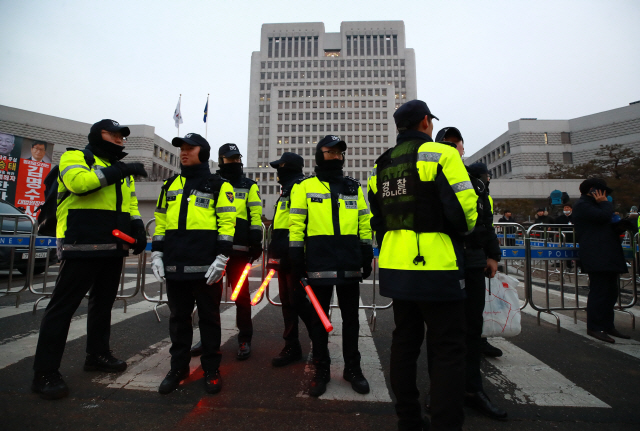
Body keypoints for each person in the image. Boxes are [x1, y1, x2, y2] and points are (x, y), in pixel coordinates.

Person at [368, 100, 478, 431]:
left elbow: (378, 218)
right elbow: (465, 211)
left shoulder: (381, 165)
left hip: (395, 265)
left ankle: (409, 420)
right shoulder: (442, 155)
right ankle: (445, 424)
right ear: (426, 122)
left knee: (404, 342)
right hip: (437, 267)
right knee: (447, 350)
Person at [32, 119, 148, 400]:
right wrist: (119, 169)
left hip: (113, 244)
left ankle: (97, 354)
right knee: (63, 306)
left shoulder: (120, 169)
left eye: (123, 136)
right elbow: (79, 184)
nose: (121, 139)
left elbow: (130, 202)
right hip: (80, 243)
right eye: (115, 134)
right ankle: (45, 373)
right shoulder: (76, 156)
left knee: (103, 303)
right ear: (99, 134)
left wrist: (137, 226)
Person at [151, 132, 236, 395]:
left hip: (207, 268)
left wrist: (222, 258)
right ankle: (179, 368)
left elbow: (227, 225)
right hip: (175, 266)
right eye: (182, 149)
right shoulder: (169, 186)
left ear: (203, 152)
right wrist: (157, 253)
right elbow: (161, 222)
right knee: (178, 319)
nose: (183, 152)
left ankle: (211, 368)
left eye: (190, 148)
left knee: (209, 320)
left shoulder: (220, 186)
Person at [289, 135, 374, 397]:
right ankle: (321, 369)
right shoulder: (304, 187)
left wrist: (366, 250)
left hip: (349, 262)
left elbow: (363, 219)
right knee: (318, 321)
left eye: (339, 153)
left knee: (352, 320)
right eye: (329, 152)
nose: (335, 156)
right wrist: (296, 256)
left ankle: (352, 368)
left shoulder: (352, 186)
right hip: (318, 262)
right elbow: (296, 224)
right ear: (318, 154)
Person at [435, 128, 507, 420]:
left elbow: (486, 222)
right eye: (446, 144)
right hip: (444, 263)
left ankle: (472, 389)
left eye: (456, 144)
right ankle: (439, 394)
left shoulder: (476, 183)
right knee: (442, 334)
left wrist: (493, 255)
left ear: (463, 148)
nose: (453, 148)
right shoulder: (433, 179)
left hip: (474, 260)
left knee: (471, 329)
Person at [190, 143, 262, 360]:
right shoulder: (211, 183)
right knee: (208, 300)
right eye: (229, 159)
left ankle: (244, 339)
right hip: (214, 251)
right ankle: (208, 339)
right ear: (221, 161)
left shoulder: (250, 185)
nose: (234, 162)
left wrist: (256, 240)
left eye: (236, 158)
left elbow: (255, 215)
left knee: (241, 297)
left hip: (239, 251)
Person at [266, 152, 324, 367]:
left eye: (279, 169)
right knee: (288, 303)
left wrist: (299, 255)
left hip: (296, 255)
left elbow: (304, 223)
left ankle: (319, 344)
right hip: (283, 255)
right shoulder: (287, 189)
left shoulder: (301, 186)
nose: (277, 174)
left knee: (298, 302)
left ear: (286, 168)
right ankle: (292, 345)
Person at [573, 178, 630, 343]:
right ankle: (595, 326)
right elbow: (602, 216)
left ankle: (608, 324)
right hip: (596, 253)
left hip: (607, 252)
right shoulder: (583, 205)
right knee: (599, 291)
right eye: (602, 191)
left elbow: (605, 220)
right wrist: (605, 204)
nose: (605, 195)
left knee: (611, 292)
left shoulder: (596, 205)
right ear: (593, 190)